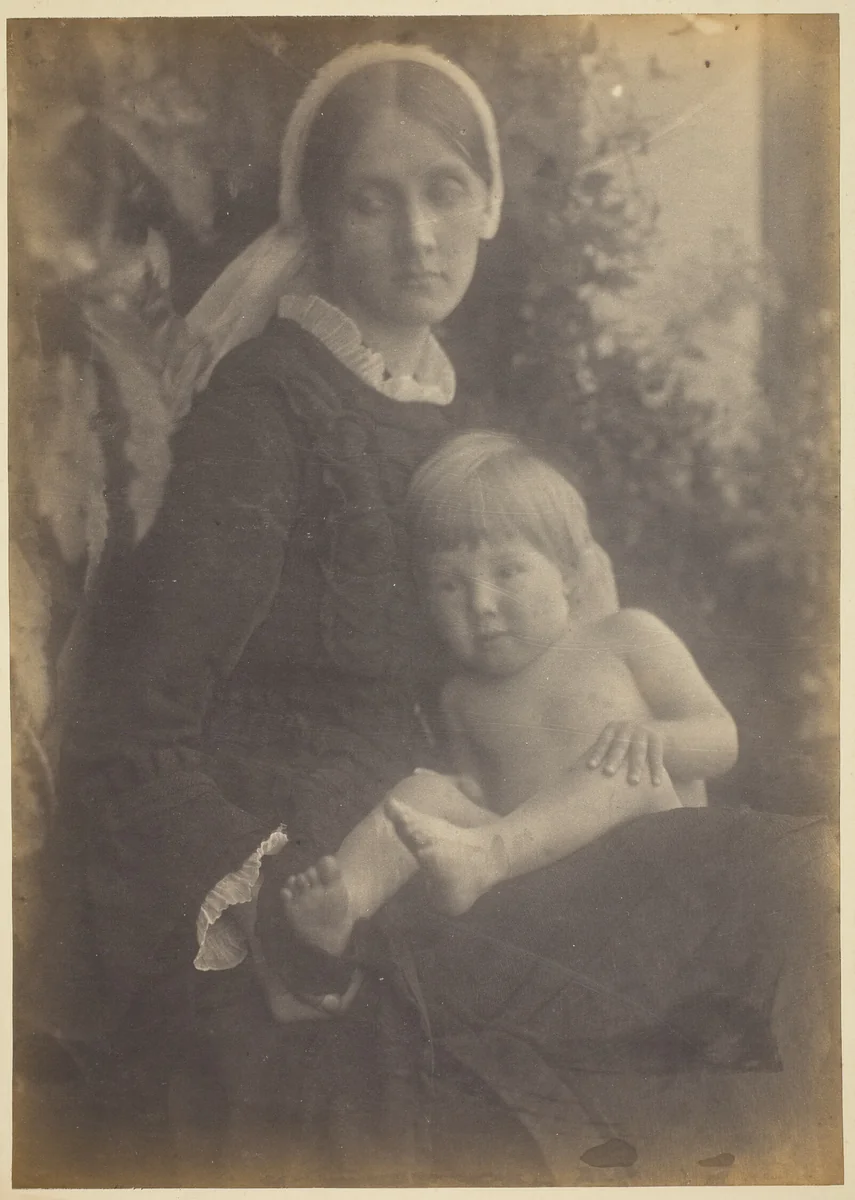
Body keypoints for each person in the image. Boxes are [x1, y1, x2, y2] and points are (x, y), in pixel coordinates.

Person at [48, 41, 839, 1186]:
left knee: (800, 888)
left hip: (477, 846)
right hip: (332, 878)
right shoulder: (262, 415)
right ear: (316, 218)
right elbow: (133, 734)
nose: (419, 237)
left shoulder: (445, 427)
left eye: (444, 192)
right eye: (374, 200)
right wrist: (277, 907)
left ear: (489, 203)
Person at [280, 430, 737, 955]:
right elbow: (483, 791)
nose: (481, 604)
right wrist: (460, 797)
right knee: (425, 792)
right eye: (450, 585)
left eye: (508, 571)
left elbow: (722, 738)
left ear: (568, 573)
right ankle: (343, 908)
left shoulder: (624, 636)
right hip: (538, 874)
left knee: (621, 768)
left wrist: (655, 739)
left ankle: (487, 855)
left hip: (655, 864)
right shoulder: (462, 697)